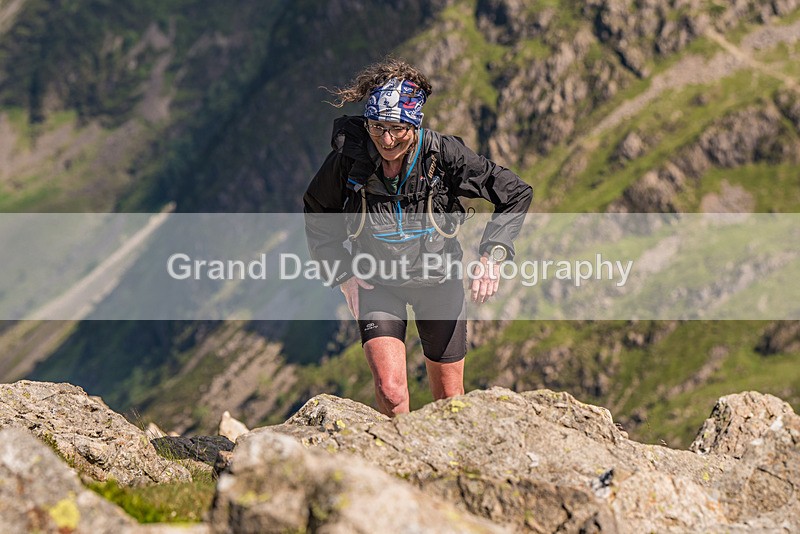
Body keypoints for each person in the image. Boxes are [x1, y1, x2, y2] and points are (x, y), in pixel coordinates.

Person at [304, 58, 532, 416]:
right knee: (391, 393)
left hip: (439, 282)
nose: (387, 139)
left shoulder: (443, 156)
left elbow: (515, 192)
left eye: (397, 128)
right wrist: (342, 274)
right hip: (378, 284)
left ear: (414, 124)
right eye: (377, 127)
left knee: (450, 402)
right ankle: (397, 469)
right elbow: (317, 210)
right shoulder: (350, 159)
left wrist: (493, 256)